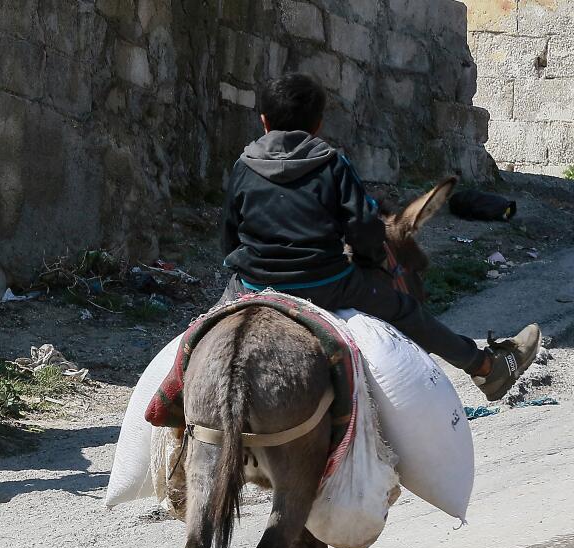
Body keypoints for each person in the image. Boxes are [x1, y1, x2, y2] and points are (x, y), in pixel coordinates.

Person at [219, 72, 540, 402]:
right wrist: (370, 261)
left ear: (263, 122)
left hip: (254, 285)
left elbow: (229, 239)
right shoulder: (332, 164)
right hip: (327, 284)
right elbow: (364, 230)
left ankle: (172, 391)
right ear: (318, 125)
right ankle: (487, 367)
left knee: (202, 330)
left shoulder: (243, 166)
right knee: (406, 311)